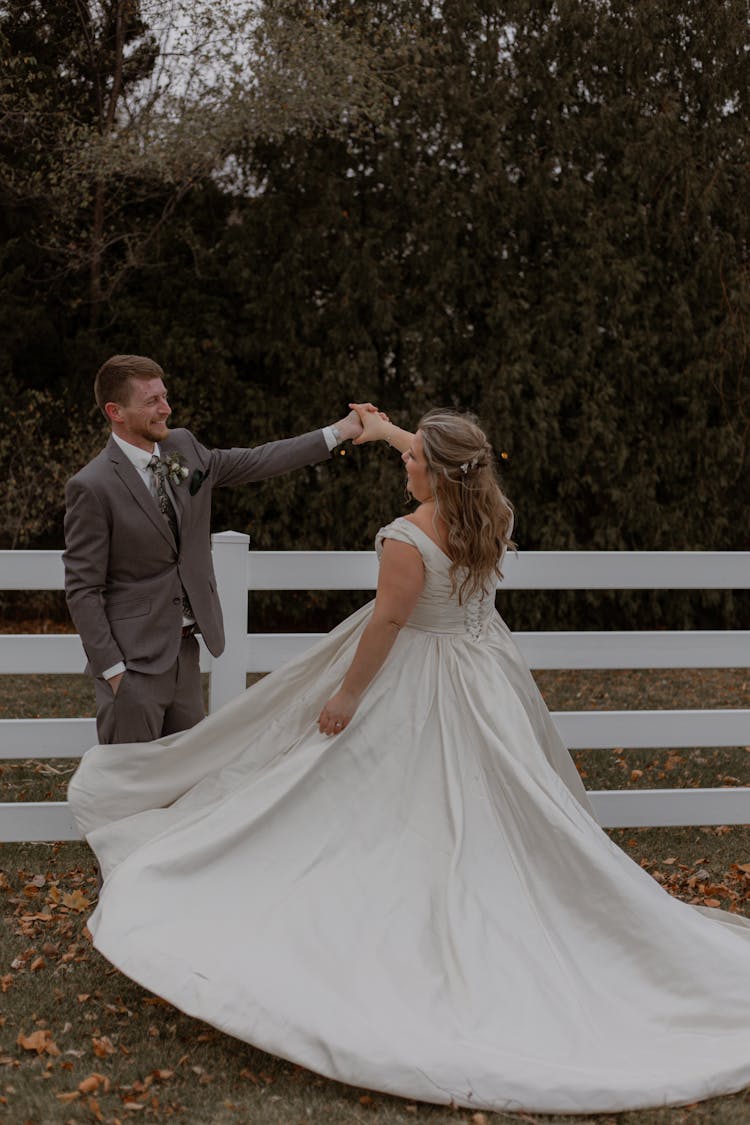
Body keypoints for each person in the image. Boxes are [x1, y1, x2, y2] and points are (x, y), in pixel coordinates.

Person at [67, 409, 750, 1115]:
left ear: (435, 469)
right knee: (494, 799)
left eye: (411, 457)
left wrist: (347, 695)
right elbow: (445, 467)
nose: (404, 463)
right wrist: (387, 431)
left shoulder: (406, 537)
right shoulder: (494, 512)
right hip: (484, 676)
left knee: (375, 797)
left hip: (416, 675)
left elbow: (389, 623)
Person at [63, 353, 376, 743]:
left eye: (164, 396)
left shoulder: (184, 447)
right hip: (133, 666)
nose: (166, 408)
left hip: (186, 655)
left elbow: (258, 460)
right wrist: (113, 672)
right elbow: (83, 589)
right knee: (129, 784)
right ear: (116, 411)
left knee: (187, 784)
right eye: (152, 402)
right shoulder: (91, 486)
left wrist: (339, 431)